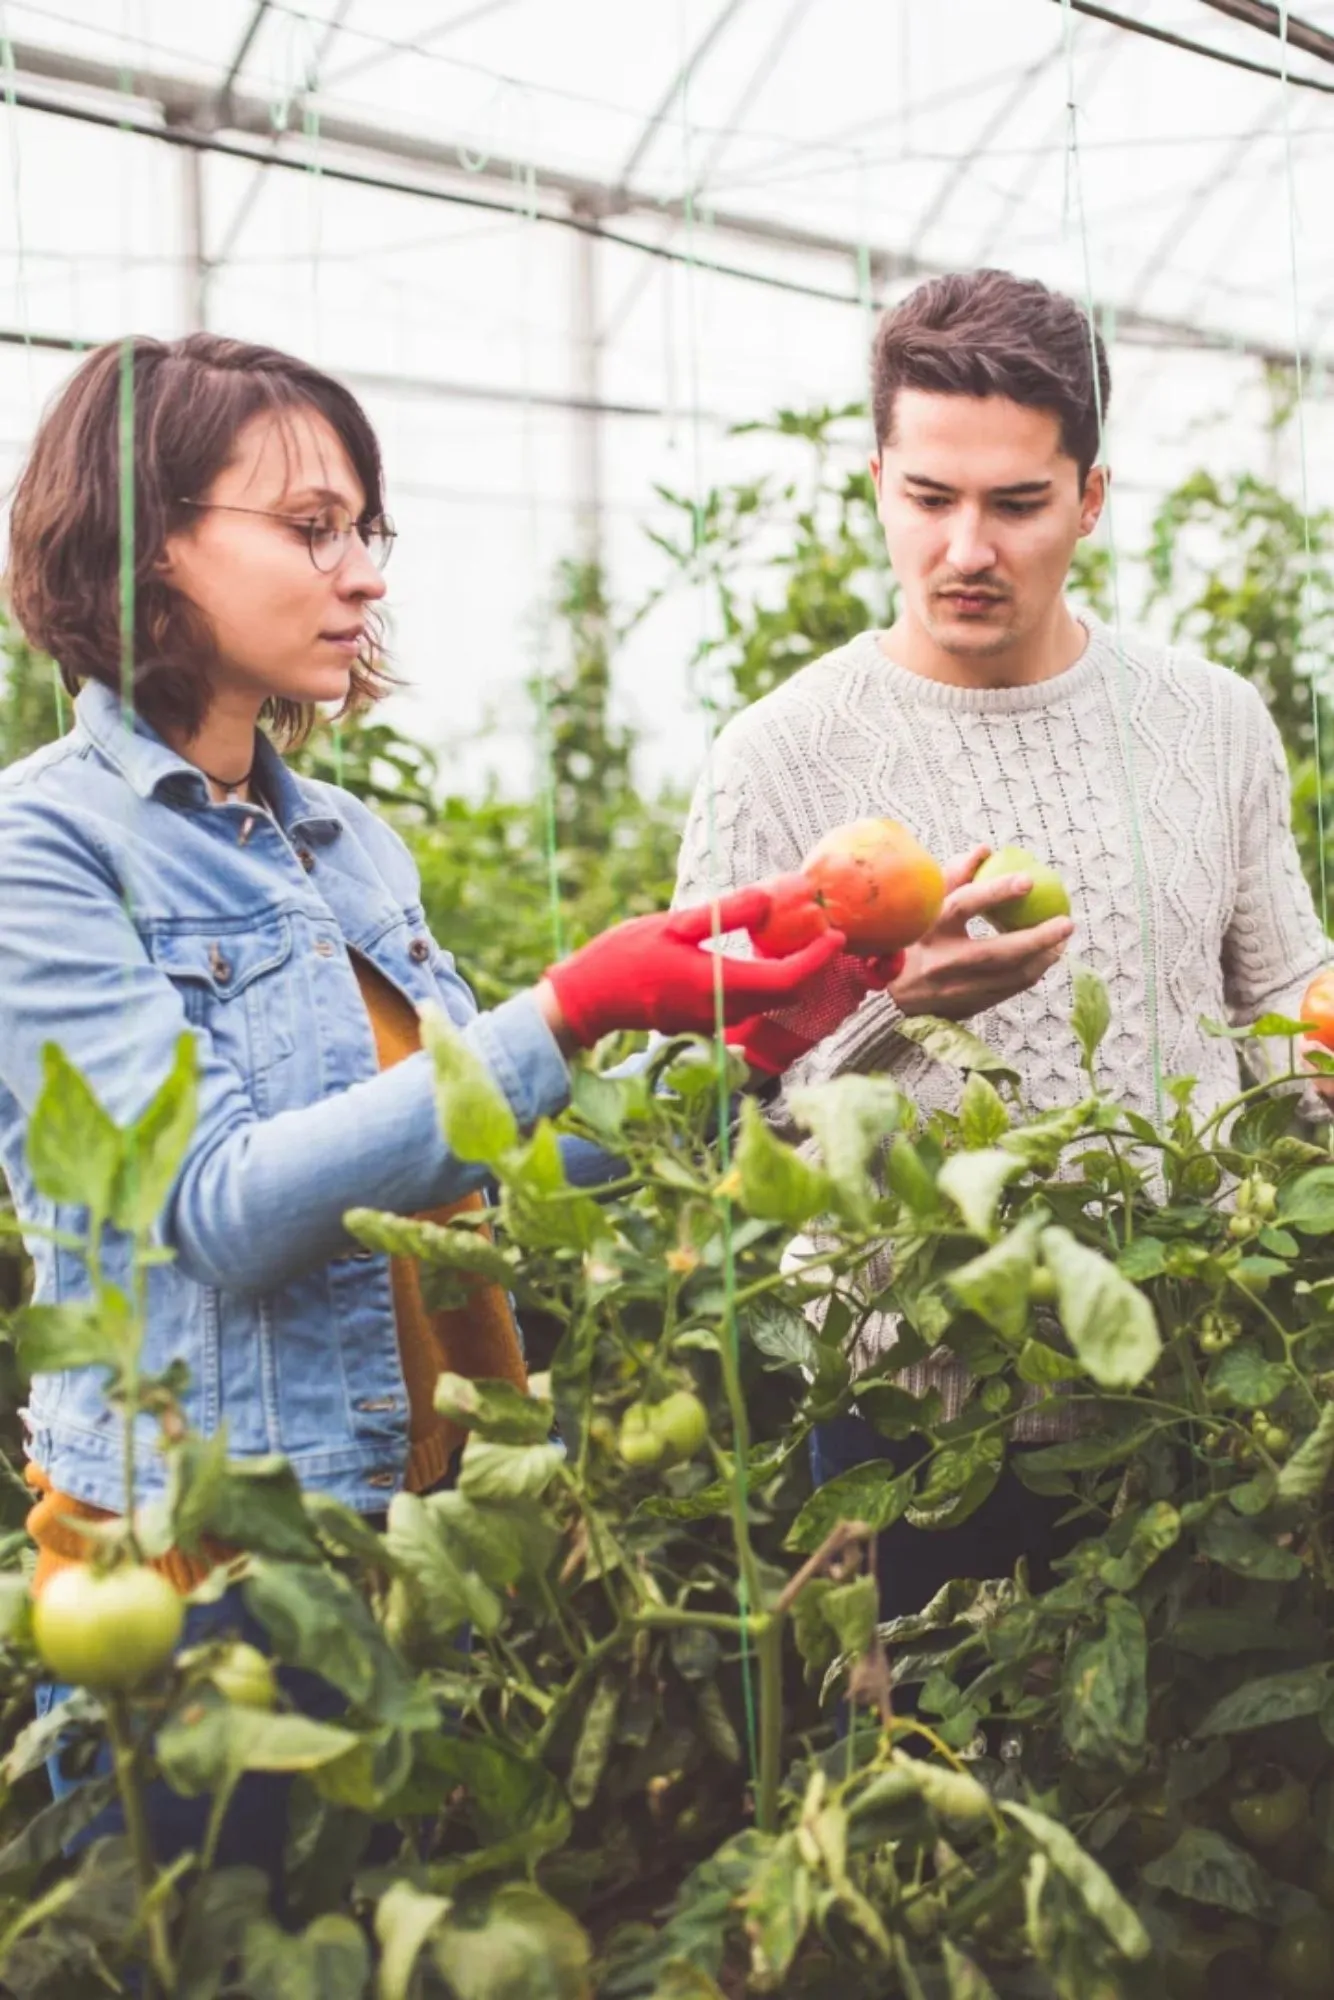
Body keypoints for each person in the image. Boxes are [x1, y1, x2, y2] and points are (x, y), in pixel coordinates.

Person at [0, 332, 895, 1880]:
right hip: (209, 1588)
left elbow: (490, 1177)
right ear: (147, 541)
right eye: (310, 528)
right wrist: (570, 1003)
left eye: (367, 530)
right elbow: (224, 1212)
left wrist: (740, 1036)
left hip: (424, 1541)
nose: (363, 575)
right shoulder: (45, 855)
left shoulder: (345, 844)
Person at [674, 267, 1334, 1621]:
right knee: (931, 1785)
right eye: (929, 498)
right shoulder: (780, 758)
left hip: (1184, 1379)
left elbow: (1280, 991)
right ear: (877, 482)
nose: (966, 548)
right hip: (905, 1408)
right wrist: (891, 1011)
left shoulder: (1206, 721)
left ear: (1089, 498)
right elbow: (719, 1116)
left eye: (1016, 504)